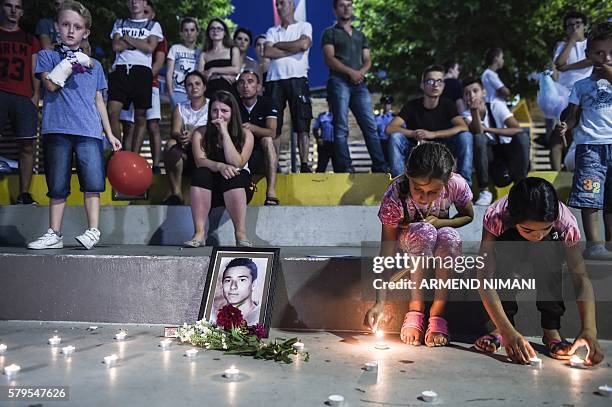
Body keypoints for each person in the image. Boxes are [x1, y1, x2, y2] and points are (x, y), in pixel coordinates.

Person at [475, 177, 604, 366]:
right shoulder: (497, 216)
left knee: (547, 247)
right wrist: (506, 330)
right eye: (528, 230)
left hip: (547, 256)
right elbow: (484, 276)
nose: (537, 236)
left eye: (545, 228)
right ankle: (499, 328)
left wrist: (590, 329)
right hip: (510, 249)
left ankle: (551, 330)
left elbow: (581, 278)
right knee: (506, 251)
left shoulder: (565, 222)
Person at [27, 0, 121, 250]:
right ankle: (54, 233)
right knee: (57, 185)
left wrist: (109, 133)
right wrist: (70, 62)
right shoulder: (47, 56)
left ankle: (93, 230)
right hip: (56, 127)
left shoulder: (96, 65)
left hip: (88, 130)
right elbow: (50, 85)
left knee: (92, 183)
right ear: (57, 26)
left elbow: (99, 100)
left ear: (85, 32)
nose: (70, 30)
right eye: (65, 24)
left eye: (77, 27)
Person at [364, 143, 474, 347]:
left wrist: (442, 222)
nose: (424, 197)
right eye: (418, 189)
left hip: (439, 237)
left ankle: (437, 313)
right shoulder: (395, 196)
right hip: (410, 242)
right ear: (408, 175)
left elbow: (468, 215)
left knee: (450, 236)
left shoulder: (456, 184)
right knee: (425, 231)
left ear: (447, 181)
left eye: (433, 191)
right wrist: (379, 302)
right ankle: (416, 309)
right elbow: (387, 248)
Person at [559, 23, 612, 260]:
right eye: (599, 53)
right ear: (589, 54)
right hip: (590, 146)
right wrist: (565, 126)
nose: (606, 58)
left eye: (611, 54)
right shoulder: (580, 86)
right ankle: (594, 244)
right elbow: (571, 116)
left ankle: (609, 243)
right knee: (591, 196)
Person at [322, 0, 388, 173]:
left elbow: (367, 60)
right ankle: (345, 167)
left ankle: (380, 166)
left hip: (359, 84)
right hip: (338, 82)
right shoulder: (330, 33)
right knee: (341, 126)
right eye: (342, 5)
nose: (346, 8)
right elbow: (330, 59)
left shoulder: (360, 35)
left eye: (349, 5)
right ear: (335, 9)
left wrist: (360, 73)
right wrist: (351, 72)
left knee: (370, 125)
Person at [184, 90, 254, 248]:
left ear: (232, 112)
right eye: (215, 110)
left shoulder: (246, 134)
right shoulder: (200, 133)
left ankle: (240, 234)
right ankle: (200, 233)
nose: (219, 115)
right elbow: (199, 161)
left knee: (233, 174)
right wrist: (219, 166)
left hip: (238, 185)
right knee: (200, 173)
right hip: (211, 187)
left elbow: (237, 163)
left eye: (224, 111)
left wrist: (224, 133)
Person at [386, 65, 472, 183]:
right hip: (417, 149)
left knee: (465, 136)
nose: (435, 84)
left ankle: (464, 186)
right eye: (431, 81)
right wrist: (414, 133)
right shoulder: (412, 105)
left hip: (442, 149)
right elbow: (390, 128)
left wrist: (433, 134)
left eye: (439, 81)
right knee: (395, 137)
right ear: (422, 85)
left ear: (443, 86)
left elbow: (463, 126)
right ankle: (401, 185)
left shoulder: (448, 105)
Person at [107, 0, 163, 155]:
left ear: (145, 3)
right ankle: (119, 153)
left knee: (140, 117)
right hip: (121, 70)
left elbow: (150, 47)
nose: (134, 2)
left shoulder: (154, 25)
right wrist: (140, 43)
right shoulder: (120, 22)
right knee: (112, 111)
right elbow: (116, 46)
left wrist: (127, 38)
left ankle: (134, 156)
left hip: (143, 72)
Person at [462, 78, 530, 205]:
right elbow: (477, 131)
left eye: (475, 91)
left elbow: (517, 129)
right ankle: (484, 191)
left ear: (484, 92)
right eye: (467, 93)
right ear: (464, 98)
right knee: (479, 138)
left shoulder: (496, 105)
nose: (472, 95)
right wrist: (474, 111)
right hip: (488, 159)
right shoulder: (466, 115)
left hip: (506, 152)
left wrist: (488, 129)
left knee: (522, 138)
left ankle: (521, 188)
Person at [263, 0, 313, 173]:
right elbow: (268, 52)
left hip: (298, 78)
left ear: (292, 5)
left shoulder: (305, 26)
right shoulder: (272, 30)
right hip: (274, 80)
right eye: (277, 4)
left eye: (282, 3)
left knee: (302, 122)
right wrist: (295, 48)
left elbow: (304, 45)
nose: (279, 7)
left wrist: (279, 46)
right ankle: (274, 164)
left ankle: (305, 165)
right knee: (274, 125)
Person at [0, 0, 42, 205]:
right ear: (2, 8)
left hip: (23, 96)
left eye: (17, 7)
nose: (13, 10)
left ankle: (24, 194)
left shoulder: (29, 39)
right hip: (1, 93)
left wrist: (35, 95)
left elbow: (35, 69)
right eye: (9, 6)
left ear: (22, 12)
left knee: (27, 145)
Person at [119, 1, 165, 172]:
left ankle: (156, 165)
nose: (143, 14)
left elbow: (158, 62)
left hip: (149, 85)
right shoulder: (126, 26)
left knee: (151, 124)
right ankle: (125, 161)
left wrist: (144, 79)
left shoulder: (158, 35)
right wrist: (140, 44)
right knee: (128, 125)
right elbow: (118, 46)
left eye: (147, 11)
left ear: (152, 15)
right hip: (128, 81)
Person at [549, 11, 593, 170]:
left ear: (585, 25)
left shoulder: (591, 43)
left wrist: (567, 67)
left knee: (578, 133)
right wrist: (572, 41)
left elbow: (592, 60)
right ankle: (558, 172)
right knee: (559, 135)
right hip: (564, 97)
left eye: (577, 24)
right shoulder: (562, 46)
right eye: (570, 26)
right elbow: (559, 63)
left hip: (586, 96)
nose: (574, 28)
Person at [162, 71, 209, 205]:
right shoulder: (180, 108)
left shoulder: (212, 106)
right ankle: (176, 194)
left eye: (197, 84)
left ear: (204, 87)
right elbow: (175, 132)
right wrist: (182, 136)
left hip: (205, 151)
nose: (194, 87)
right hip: (185, 151)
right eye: (189, 85)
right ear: (186, 89)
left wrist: (194, 135)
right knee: (171, 144)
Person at [237, 70, 279, 205]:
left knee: (267, 140)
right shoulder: (233, 104)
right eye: (242, 82)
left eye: (250, 82)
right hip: (240, 156)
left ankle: (271, 192)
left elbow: (272, 132)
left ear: (258, 87)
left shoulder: (268, 102)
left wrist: (251, 128)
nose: (245, 86)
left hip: (261, 156)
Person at [197, 18, 240, 99]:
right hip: (209, 93)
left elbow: (236, 69)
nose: (215, 31)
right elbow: (200, 76)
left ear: (225, 33)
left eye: (219, 29)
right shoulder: (204, 54)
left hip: (229, 92)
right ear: (208, 32)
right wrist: (221, 76)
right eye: (212, 28)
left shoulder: (233, 50)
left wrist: (213, 70)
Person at [166, 17, 200, 109]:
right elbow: (169, 72)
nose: (189, 33)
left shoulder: (201, 53)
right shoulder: (175, 48)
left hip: (195, 92)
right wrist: (171, 93)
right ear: (181, 33)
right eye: (186, 30)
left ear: (197, 32)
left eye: (192, 30)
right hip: (178, 92)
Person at [217, 257, 261, 326]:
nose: (233, 286)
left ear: (253, 284)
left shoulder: (259, 318)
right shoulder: (213, 318)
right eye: (228, 280)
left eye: (242, 280)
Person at [312, 98, 335, 172]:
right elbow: (315, 129)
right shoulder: (322, 116)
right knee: (321, 167)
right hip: (324, 144)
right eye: (330, 103)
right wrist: (318, 138)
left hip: (336, 145)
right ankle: (318, 182)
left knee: (339, 167)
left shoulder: (340, 116)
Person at [374, 95, 394, 164]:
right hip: (380, 144)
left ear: (391, 105)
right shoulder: (376, 118)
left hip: (391, 143)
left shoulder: (395, 118)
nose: (386, 105)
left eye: (388, 103)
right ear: (382, 105)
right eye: (384, 103)